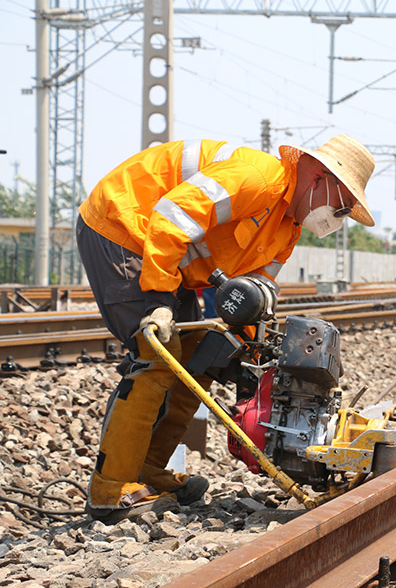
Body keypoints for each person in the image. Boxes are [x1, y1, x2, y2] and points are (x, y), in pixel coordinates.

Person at [76, 135, 376, 523]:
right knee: (159, 357)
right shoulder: (258, 178)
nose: (339, 217)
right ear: (321, 178)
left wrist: (252, 356)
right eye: (342, 207)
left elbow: (254, 295)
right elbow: (172, 215)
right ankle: (110, 490)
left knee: (196, 361)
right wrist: (157, 304)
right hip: (123, 229)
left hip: (167, 259)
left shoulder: (287, 229)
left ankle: (148, 471)